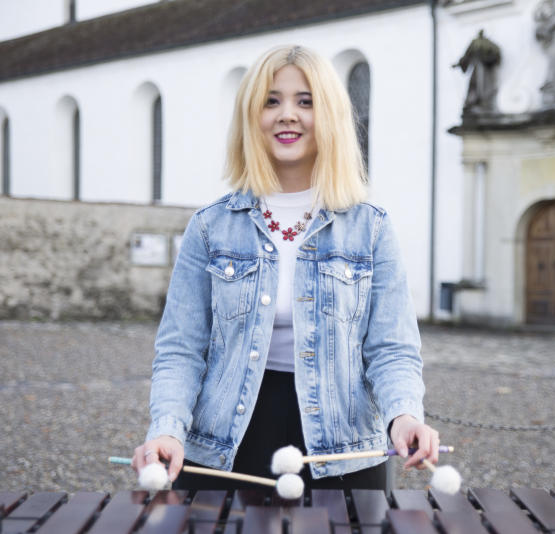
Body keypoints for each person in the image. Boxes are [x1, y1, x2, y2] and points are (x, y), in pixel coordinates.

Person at [131, 44, 440, 490]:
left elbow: (392, 349)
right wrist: (165, 428)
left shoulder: (371, 229)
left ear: (330, 114)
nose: (287, 114)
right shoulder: (209, 227)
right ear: (251, 116)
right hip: (225, 447)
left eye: (305, 101)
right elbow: (181, 349)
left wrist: (404, 415)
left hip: (345, 451)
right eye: (271, 101)